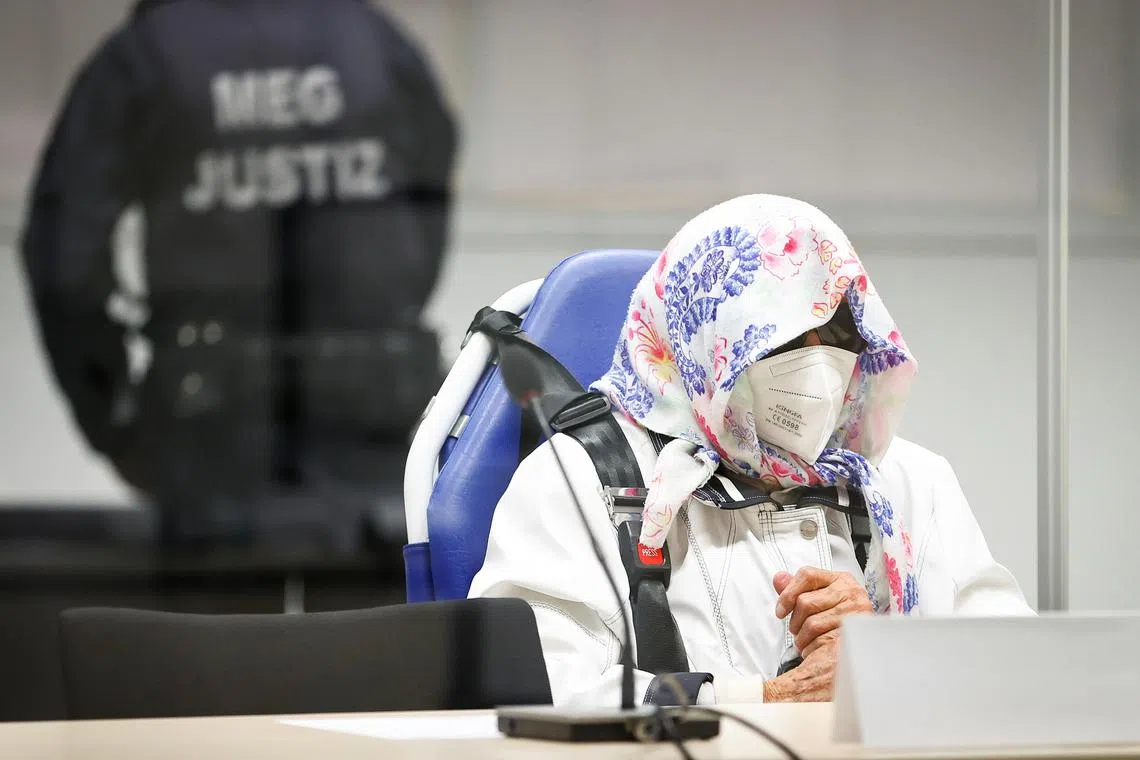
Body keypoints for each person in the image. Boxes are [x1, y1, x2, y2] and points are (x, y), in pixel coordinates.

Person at [469, 194, 1031, 705]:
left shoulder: (908, 480)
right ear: (710, 338)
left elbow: (1021, 671)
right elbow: (531, 687)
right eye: (783, 338)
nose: (817, 365)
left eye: (835, 334)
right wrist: (765, 698)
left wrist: (889, 657)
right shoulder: (587, 476)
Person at [20, 0, 457, 550]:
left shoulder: (149, 53)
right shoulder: (376, 42)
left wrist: (112, 419)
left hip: (206, 439)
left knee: (217, 631)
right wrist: (382, 311)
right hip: (373, 430)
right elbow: (428, 201)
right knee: (369, 631)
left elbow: (64, 257)